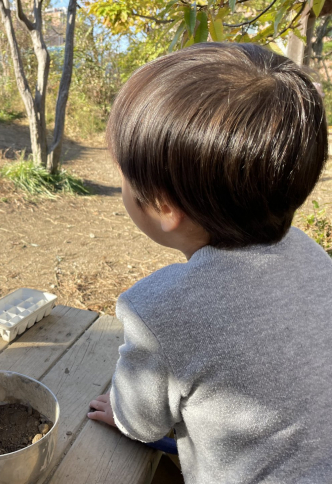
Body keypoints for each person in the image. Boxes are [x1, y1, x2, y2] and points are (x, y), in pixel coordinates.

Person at [87, 43, 332, 483]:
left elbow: (141, 421)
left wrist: (124, 410)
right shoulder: (311, 253)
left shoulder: (159, 310)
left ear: (162, 206)